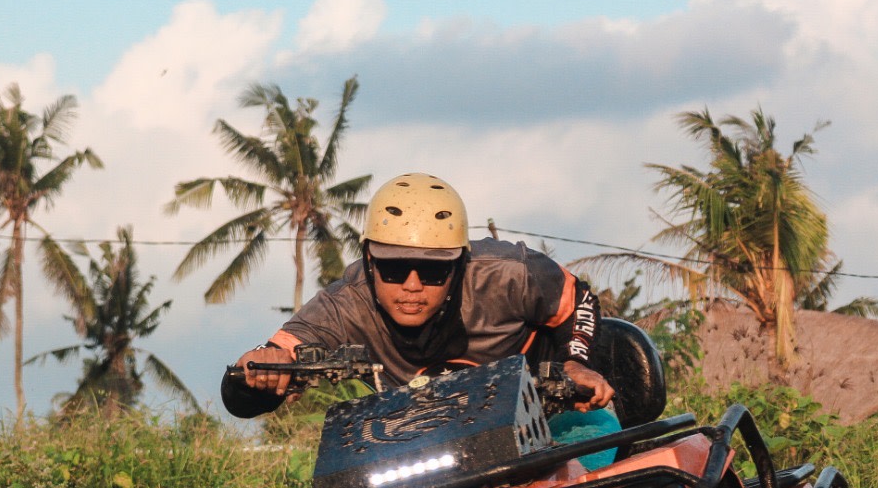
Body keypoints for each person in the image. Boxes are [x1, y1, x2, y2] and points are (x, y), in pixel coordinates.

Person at [223, 172, 620, 462]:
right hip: (427, 448)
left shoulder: (511, 272)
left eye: (432, 271)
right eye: (394, 268)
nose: (412, 285)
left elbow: (578, 298)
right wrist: (260, 366)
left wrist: (576, 364)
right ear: (369, 260)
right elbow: (256, 376)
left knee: (589, 484)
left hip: (553, 423)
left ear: (460, 263)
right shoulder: (344, 305)